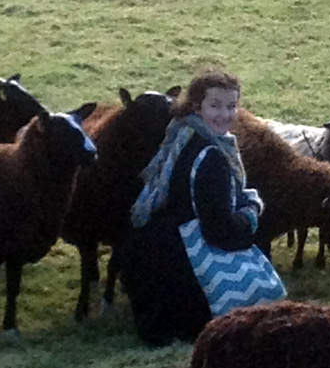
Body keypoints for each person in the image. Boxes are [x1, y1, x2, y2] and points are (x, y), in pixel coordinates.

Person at [120, 70, 284, 345]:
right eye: (215, 106)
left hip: (158, 257)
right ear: (197, 106)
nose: (224, 114)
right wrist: (251, 211)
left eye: (231, 106)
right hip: (186, 273)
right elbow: (220, 232)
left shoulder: (182, 136)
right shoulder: (213, 157)